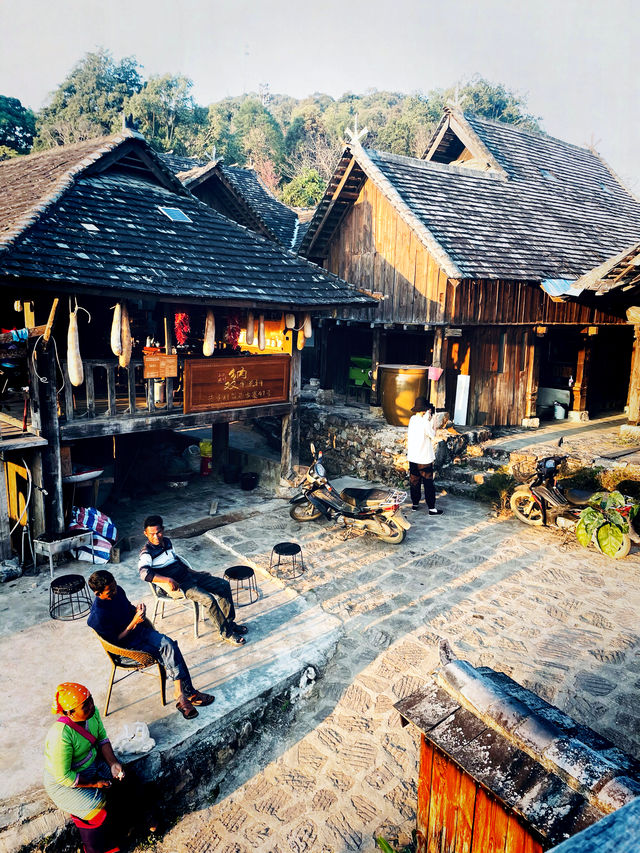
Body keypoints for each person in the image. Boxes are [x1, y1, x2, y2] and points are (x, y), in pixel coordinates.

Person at [87, 570, 215, 720]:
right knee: (169, 651)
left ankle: (180, 694)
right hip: (127, 649)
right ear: (97, 593)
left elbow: (127, 609)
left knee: (168, 644)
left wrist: (138, 611)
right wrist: (134, 622)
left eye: (115, 587)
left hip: (140, 632)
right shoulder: (98, 616)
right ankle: (188, 693)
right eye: (110, 591)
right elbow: (116, 642)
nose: (115, 591)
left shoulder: (118, 591)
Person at [138, 514, 247, 646]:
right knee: (209, 599)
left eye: (158, 532)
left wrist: (196, 572)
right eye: (152, 534)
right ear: (146, 534)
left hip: (189, 576)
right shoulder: (147, 552)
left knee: (223, 585)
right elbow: (144, 574)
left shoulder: (167, 542)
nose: (156, 537)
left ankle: (229, 624)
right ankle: (226, 633)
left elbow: (176, 562)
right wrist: (167, 580)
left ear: (163, 530)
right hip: (178, 586)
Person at [44, 682, 126, 853]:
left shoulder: (93, 714)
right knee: (97, 808)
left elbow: (102, 738)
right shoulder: (61, 735)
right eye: (85, 705)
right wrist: (95, 784)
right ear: (69, 713)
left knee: (124, 779)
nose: (91, 706)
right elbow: (64, 776)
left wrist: (113, 763)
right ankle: (94, 849)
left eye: (91, 700)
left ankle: (137, 823)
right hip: (64, 782)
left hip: (91, 764)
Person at [407, 396, 443, 515]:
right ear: (425, 410)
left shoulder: (412, 419)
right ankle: (431, 508)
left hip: (413, 456)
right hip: (424, 457)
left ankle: (415, 504)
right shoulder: (424, 422)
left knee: (415, 481)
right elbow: (432, 435)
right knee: (428, 483)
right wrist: (432, 421)